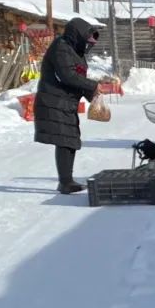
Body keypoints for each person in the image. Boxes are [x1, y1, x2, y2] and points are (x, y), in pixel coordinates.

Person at [34, 17, 101, 195]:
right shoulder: (61, 47)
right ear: (77, 35)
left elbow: (78, 79)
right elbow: (67, 76)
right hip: (54, 101)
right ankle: (65, 182)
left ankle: (67, 180)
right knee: (64, 140)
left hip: (66, 102)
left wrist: (93, 96)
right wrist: (93, 86)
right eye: (87, 41)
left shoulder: (76, 52)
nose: (89, 46)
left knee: (70, 140)